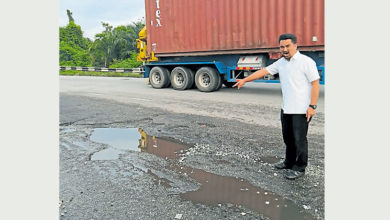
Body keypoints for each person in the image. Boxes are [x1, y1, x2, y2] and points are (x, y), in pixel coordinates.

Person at [233, 33, 320, 180]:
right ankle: (288, 162)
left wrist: (312, 106)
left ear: (295, 45)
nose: (284, 49)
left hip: (301, 109)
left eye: (287, 46)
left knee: (299, 139)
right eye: (281, 46)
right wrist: (245, 80)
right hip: (286, 108)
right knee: (288, 138)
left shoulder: (306, 62)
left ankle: (299, 167)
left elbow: (315, 84)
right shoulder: (281, 63)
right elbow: (264, 71)